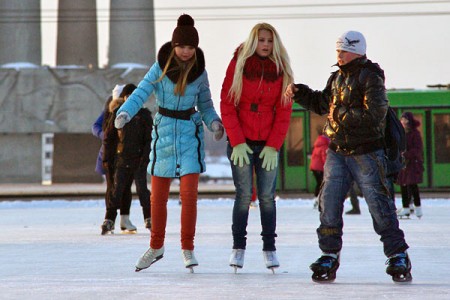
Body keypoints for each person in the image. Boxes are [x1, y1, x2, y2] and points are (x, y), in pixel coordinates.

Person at [284, 30, 412, 283]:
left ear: (356, 50)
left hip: (367, 153)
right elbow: (324, 103)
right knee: (328, 204)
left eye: (342, 50)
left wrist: (339, 113)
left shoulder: (372, 78)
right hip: (337, 152)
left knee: (379, 205)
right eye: (337, 51)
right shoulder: (337, 78)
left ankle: (398, 254)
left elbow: (375, 114)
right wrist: (301, 93)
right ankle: (329, 254)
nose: (338, 55)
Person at [114, 14, 224, 272]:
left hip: (189, 134)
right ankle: (156, 246)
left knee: (189, 196)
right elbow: (141, 92)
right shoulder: (160, 67)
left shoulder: (199, 72)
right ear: (174, 46)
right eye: (182, 46)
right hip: (163, 133)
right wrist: (125, 112)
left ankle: (187, 247)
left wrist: (215, 123)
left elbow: (206, 105)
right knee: (158, 197)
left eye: (190, 47)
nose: (186, 52)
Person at [220, 23, 294, 273]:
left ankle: (269, 249)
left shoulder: (282, 68)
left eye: (269, 41)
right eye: (261, 40)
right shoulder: (238, 64)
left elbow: (284, 111)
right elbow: (227, 104)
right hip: (241, 141)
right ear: (254, 41)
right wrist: (237, 141)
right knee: (243, 196)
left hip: (267, 144)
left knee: (267, 198)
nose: (265, 45)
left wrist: (274, 145)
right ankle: (238, 248)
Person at [111, 83, 153, 233]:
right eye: (127, 96)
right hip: (122, 158)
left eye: (132, 96)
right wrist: (110, 157)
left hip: (139, 159)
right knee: (118, 190)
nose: (129, 99)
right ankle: (110, 219)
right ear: (123, 97)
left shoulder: (144, 115)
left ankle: (149, 218)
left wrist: (146, 157)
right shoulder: (118, 113)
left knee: (142, 190)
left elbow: (149, 139)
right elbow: (110, 136)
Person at [94, 85, 134, 235]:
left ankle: (123, 219)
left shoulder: (131, 111)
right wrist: (104, 135)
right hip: (111, 156)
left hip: (126, 155)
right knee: (113, 188)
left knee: (124, 188)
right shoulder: (109, 112)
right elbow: (96, 126)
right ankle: (110, 219)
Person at [396, 112, 424, 219]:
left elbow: (417, 149)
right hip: (404, 163)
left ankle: (418, 208)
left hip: (412, 163)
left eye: (405, 120)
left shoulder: (415, 134)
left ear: (409, 121)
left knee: (412, 185)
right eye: (402, 119)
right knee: (403, 185)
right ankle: (406, 207)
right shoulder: (402, 133)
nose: (403, 122)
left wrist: (406, 154)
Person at [310, 128, 329, 209]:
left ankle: (317, 199)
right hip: (320, 169)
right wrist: (328, 167)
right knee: (322, 184)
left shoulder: (317, 145)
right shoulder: (324, 146)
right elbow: (324, 158)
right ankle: (319, 200)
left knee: (319, 184)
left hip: (314, 168)